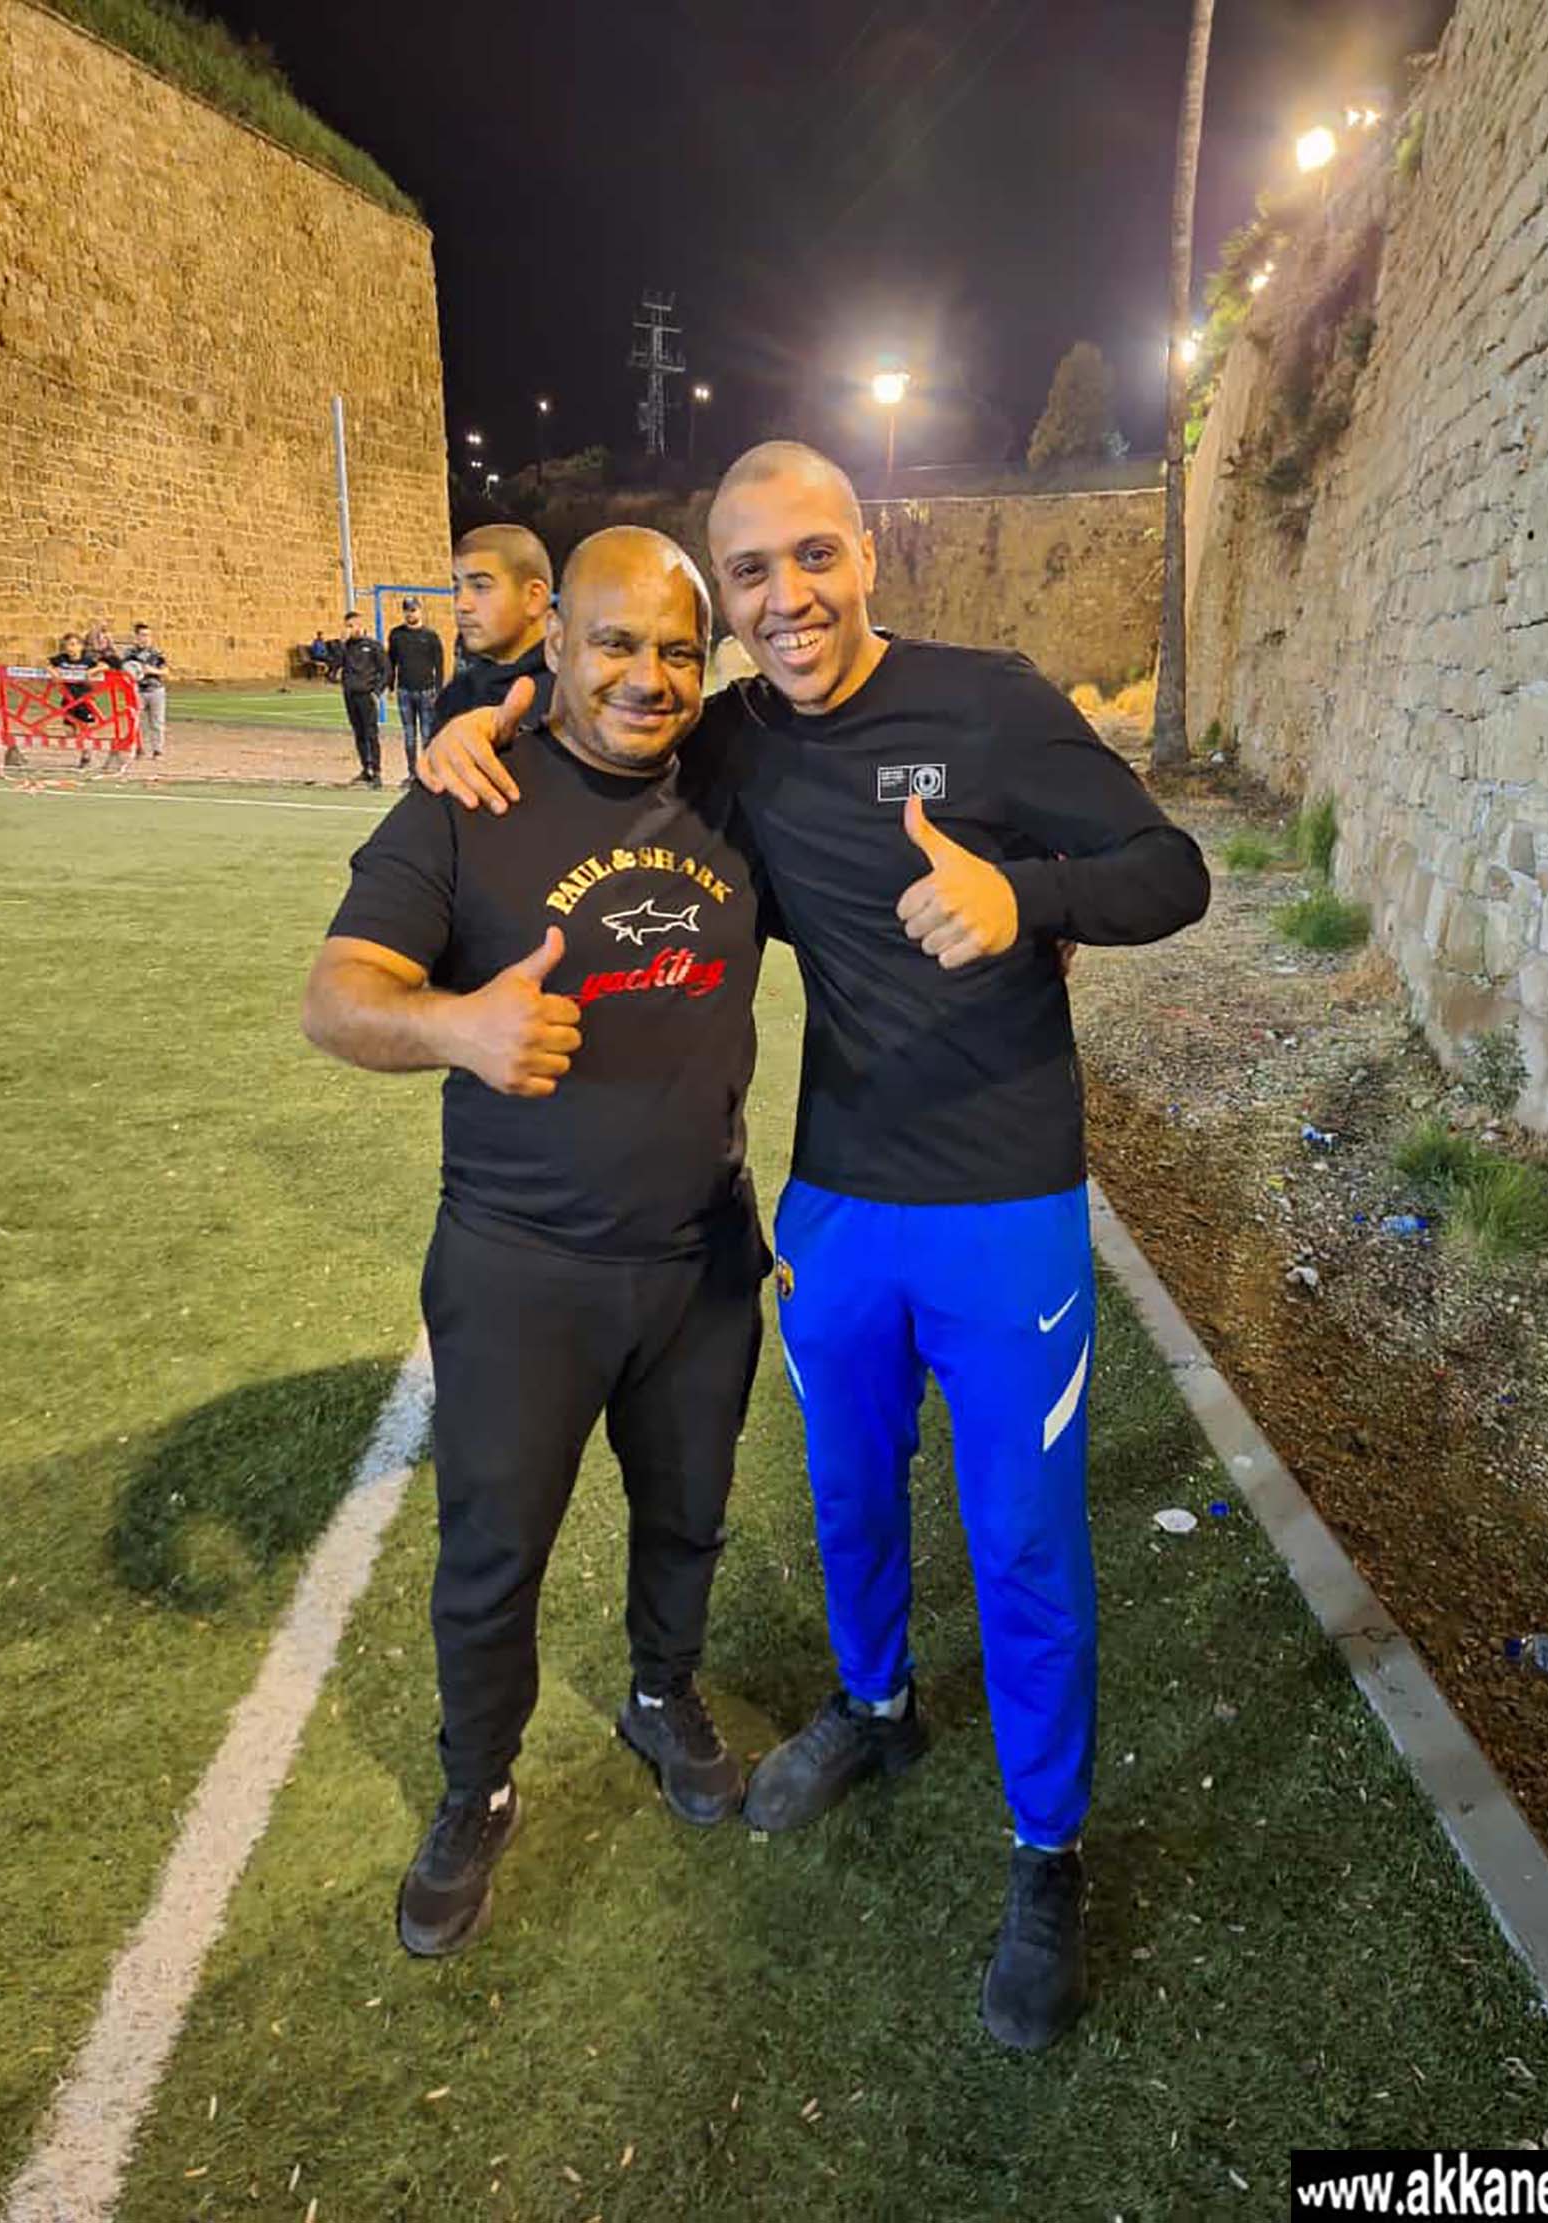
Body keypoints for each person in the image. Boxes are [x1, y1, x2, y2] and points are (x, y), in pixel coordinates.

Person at [420, 443, 1210, 2051]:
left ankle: (1045, 1850)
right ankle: (872, 1705)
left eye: (811, 557)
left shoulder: (986, 702)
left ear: (866, 554)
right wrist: (479, 714)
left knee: (1021, 1541)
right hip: (839, 1199)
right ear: (724, 600)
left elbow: (1171, 872)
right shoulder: (734, 740)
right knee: (848, 1492)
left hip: (1005, 1204)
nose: (785, 599)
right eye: (750, 572)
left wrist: (1023, 899)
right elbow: (597, 723)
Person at [301, 528, 768, 1959]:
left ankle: (660, 1692)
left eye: (678, 650)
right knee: (493, 1551)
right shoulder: (470, 794)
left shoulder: (738, 779)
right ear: (553, 642)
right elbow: (338, 994)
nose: (647, 678)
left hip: (701, 1257)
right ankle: (476, 1785)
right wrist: (459, 1026)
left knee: (688, 1512)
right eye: (614, 643)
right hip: (520, 1265)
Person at [430, 525, 553, 736]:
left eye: (480, 586)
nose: (461, 604)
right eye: (456, 588)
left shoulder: (573, 695)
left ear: (534, 597)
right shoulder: (456, 695)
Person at [387, 596, 446, 787]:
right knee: (409, 736)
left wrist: (438, 690)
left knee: (427, 735)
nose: (410, 614)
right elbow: (391, 662)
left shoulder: (431, 636)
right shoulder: (396, 635)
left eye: (413, 610)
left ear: (420, 611)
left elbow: (439, 665)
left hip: (426, 692)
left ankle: (427, 774)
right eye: (407, 610)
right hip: (404, 691)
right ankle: (412, 774)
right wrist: (390, 686)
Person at [333, 609, 390, 787]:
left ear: (361, 625)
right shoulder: (346, 647)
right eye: (348, 626)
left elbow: (386, 670)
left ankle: (377, 772)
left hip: (366, 695)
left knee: (371, 733)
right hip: (350, 695)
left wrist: (377, 691)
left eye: (353, 625)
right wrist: (341, 645)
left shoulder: (373, 646)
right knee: (358, 733)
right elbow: (335, 666)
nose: (351, 629)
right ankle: (366, 769)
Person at [50, 631, 108, 771]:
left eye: (73, 645)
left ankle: (86, 756)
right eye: (67, 645)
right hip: (68, 699)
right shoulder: (62, 659)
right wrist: (53, 672)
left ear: (80, 646)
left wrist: (91, 671)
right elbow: (48, 665)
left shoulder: (87, 660)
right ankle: (83, 745)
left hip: (84, 699)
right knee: (69, 732)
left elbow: (104, 666)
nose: (70, 648)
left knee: (85, 728)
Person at [122, 621, 169, 766]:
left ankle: (157, 750)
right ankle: (138, 748)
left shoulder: (157, 653)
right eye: (142, 635)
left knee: (157, 722)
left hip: (156, 690)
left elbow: (166, 671)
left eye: (148, 635)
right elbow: (124, 669)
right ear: (136, 637)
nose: (146, 638)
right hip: (137, 690)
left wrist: (152, 670)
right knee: (135, 721)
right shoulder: (129, 653)